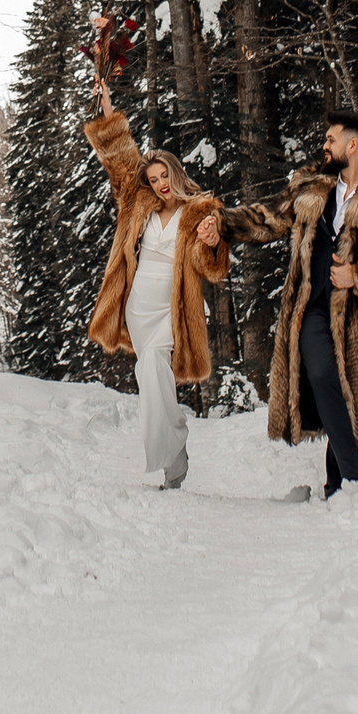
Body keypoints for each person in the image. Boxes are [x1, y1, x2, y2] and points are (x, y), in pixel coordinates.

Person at [200, 106, 358, 500]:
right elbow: (269, 217)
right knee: (321, 375)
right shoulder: (313, 187)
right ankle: (354, 482)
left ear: (352, 145)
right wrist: (223, 224)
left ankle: (337, 484)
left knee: (346, 390)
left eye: (331, 139)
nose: (324, 145)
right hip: (312, 304)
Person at [82, 76, 229, 489]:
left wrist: (212, 242)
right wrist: (106, 108)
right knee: (150, 377)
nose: (160, 183)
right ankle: (174, 459)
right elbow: (119, 159)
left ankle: (174, 440)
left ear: (176, 173)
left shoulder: (200, 209)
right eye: (153, 179)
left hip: (174, 309)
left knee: (151, 365)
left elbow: (213, 267)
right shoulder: (138, 203)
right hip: (139, 308)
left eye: (165, 175)